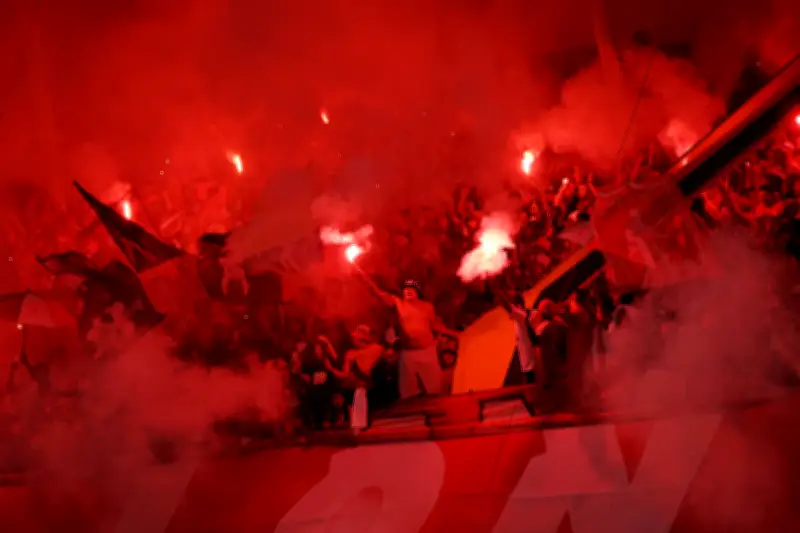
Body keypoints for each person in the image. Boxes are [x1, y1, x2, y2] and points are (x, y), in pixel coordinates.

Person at [359, 273, 459, 399]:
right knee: (408, 395)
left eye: (411, 289)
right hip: (408, 355)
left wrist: (454, 334)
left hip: (427, 352)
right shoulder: (399, 304)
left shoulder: (427, 307)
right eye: (405, 289)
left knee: (434, 391)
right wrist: (363, 277)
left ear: (417, 292)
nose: (408, 291)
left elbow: (435, 326)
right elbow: (378, 293)